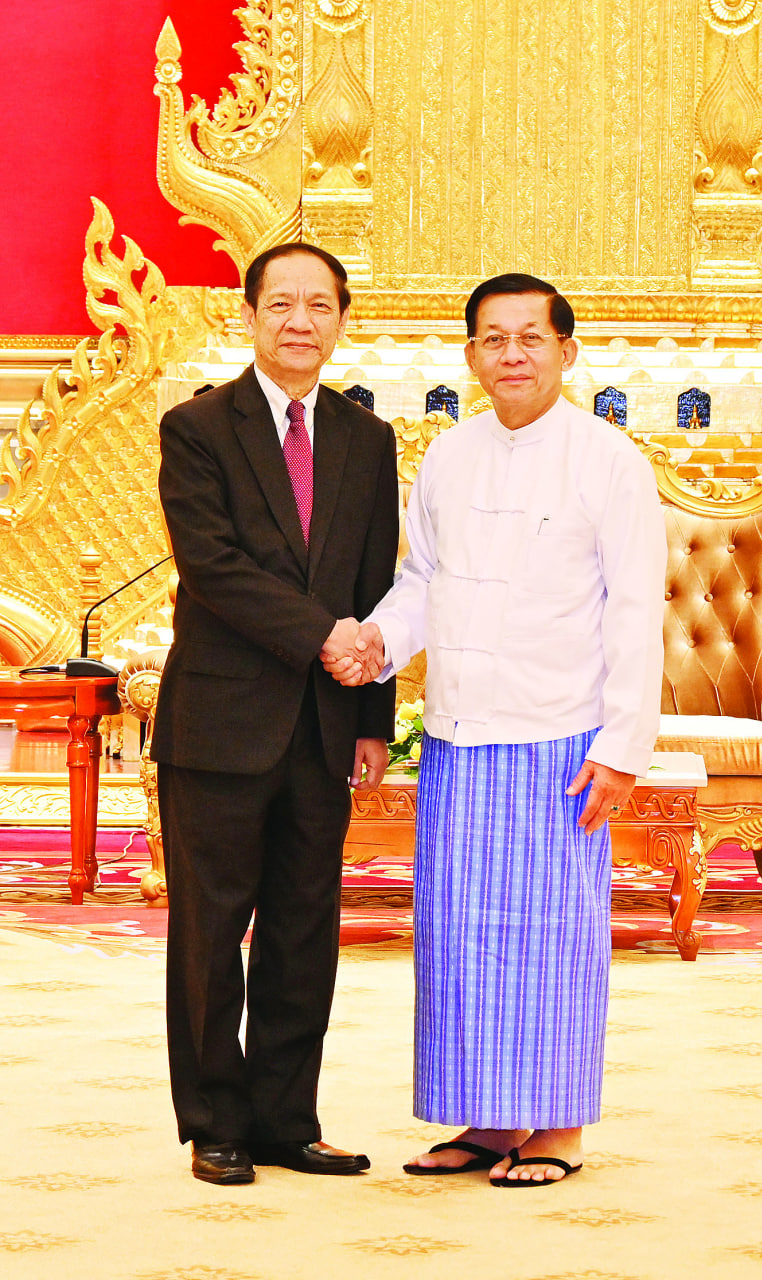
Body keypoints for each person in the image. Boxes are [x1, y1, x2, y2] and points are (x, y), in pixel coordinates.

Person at [323, 273, 666, 1187]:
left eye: (531, 337)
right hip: (457, 735)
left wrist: (621, 749)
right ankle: (487, 1119)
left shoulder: (609, 461)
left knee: (552, 936)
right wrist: (378, 642)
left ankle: (557, 1127)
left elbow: (637, 613)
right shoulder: (448, 455)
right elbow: (421, 583)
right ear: (471, 353)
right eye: (493, 339)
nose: (512, 354)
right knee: (463, 935)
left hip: (561, 738)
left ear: (566, 351)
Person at [151, 243, 399, 1184]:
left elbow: (374, 581)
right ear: (249, 314)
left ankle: (285, 1121)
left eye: (320, 305)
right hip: (220, 724)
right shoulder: (197, 427)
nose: (301, 321)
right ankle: (214, 1122)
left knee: (305, 930)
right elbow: (212, 567)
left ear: (342, 320)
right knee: (212, 933)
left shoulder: (366, 438)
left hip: (326, 724)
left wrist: (372, 714)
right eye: (282, 303)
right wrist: (322, 635)